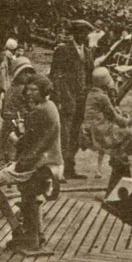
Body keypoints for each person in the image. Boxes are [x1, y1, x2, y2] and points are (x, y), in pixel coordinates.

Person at [0, 75, 63, 239]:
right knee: (28, 194)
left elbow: (24, 143)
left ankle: (16, 227)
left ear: (44, 91)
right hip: (52, 162)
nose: (29, 93)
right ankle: (38, 234)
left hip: (35, 163)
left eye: (34, 90)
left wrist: (14, 136)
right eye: (28, 89)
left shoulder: (39, 111)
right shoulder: (51, 106)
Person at [81, 67, 132, 189]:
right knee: (128, 135)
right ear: (105, 82)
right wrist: (128, 121)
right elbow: (115, 117)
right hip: (101, 131)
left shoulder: (92, 94)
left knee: (123, 141)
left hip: (93, 129)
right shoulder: (102, 97)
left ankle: (120, 165)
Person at [49, 19, 93, 179]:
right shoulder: (63, 50)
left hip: (81, 99)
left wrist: (88, 93)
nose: (85, 36)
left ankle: (70, 168)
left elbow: (89, 76)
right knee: (64, 134)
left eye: (87, 33)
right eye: (82, 33)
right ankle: (58, 171)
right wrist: (58, 97)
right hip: (67, 97)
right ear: (75, 33)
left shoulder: (88, 52)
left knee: (75, 133)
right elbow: (55, 74)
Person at [0, 57, 35, 167]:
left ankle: (5, 161)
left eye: (29, 73)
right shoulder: (23, 90)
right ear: (18, 75)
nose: (28, 76)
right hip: (17, 122)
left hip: (11, 122)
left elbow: (3, 111)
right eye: (24, 73)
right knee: (14, 145)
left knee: (6, 145)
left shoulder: (11, 89)